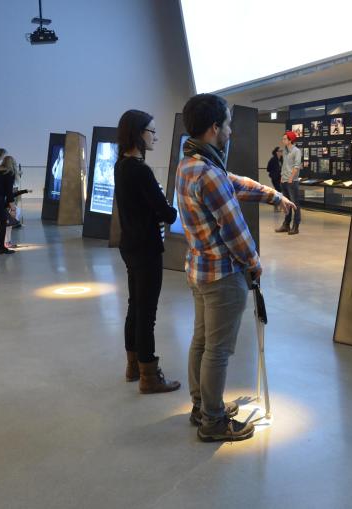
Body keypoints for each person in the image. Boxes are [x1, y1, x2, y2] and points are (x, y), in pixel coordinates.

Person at [177, 93, 295, 442]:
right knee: (218, 350)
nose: (230, 131)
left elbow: (235, 182)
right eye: (227, 125)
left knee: (201, 342)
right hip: (222, 276)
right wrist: (254, 262)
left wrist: (274, 196)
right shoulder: (208, 172)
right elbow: (234, 229)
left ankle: (202, 406)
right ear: (215, 128)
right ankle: (213, 422)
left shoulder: (191, 165)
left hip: (199, 271)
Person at [113, 109, 181, 394]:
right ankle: (149, 376)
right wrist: (171, 209)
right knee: (146, 313)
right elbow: (166, 213)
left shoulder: (121, 165)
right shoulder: (140, 170)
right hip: (147, 248)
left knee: (135, 306)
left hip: (130, 245)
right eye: (152, 131)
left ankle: (133, 367)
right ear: (139, 133)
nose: (155, 137)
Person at [276, 131, 302, 235]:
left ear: (290, 140)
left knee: (295, 204)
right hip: (284, 180)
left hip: (292, 181)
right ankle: (286, 225)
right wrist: (282, 177)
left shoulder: (296, 151)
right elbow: (284, 165)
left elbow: (297, 166)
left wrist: (291, 178)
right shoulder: (285, 151)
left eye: (285, 139)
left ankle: (296, 226)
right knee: (286, 204)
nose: (283, 140)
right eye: (283, 139)